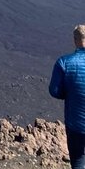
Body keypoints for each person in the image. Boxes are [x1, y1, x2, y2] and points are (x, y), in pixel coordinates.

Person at [49, 25, 85, 168]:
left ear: (75, 40)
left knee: (78, 161)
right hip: (75, 123)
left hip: (76, 124)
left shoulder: (64, 62)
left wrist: (70, 92)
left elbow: (54, 91)